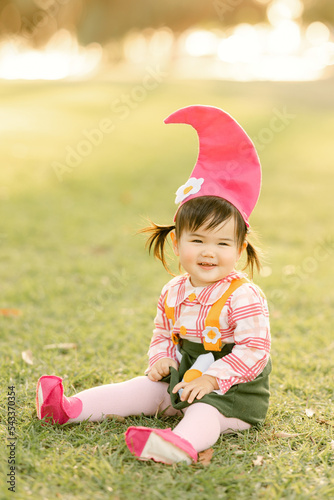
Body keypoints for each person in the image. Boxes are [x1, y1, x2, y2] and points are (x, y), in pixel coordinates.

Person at [36, 105, 271, 465]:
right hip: (180, 381)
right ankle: (69, 409)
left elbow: (255, 350)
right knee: (138, 389)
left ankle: (180, 445)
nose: (209, 253)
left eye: (222, 244)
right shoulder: (174, 291)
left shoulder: (244, 294)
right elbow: (163, 334)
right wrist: (161, 360)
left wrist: (211, 381)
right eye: (198, 241)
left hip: (231, 394)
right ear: (177, 244)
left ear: (239, 249)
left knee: (203, 414)